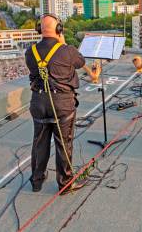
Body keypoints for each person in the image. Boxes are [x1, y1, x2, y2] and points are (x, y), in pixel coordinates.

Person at [25, 14, 88, 195]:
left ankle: (36, 181)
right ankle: (65, 184)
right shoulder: (66, 50)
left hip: (38, 103)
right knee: (63, 143)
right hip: (62, 104)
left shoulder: (31, 52)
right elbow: (81, 61)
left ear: (39, 30)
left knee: (39, 142)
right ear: (59, 30)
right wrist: (64, 43)